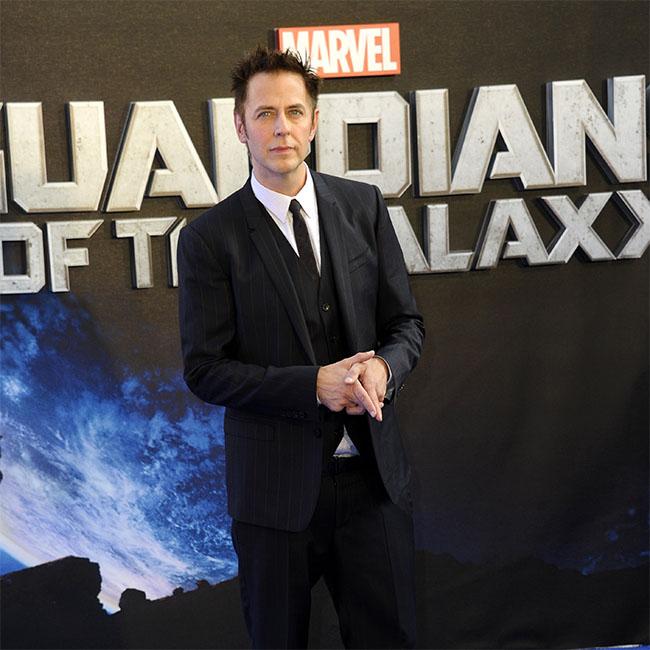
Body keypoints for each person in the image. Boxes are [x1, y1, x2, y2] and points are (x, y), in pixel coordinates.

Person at [178, 46, 424, 649]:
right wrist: (313, 385)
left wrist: (384, 370)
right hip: (273, 498)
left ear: (314, 121)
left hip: (372, 483)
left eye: (293, 112)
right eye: (264, 114)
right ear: (240, 126)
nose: (281, 127)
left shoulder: (363, 207)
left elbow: (406, 326)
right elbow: (205, 370)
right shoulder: (209, 238)